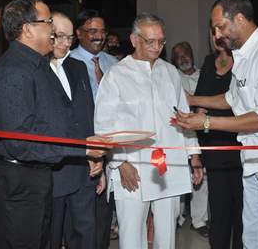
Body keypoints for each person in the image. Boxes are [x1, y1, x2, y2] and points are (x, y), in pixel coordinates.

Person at [0, 0, 109, 248]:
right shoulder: (15, 72)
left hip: (34, 177)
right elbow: (21, 143)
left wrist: (86, 144)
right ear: (27, 29)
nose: (53, 30)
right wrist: (82, 148)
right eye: (47, 22)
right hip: (17, 183)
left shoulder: (37, 67)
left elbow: (52, 121)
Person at [175, 0, 258, 249]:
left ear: (239, 18)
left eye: (220, 26)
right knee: (252, 237)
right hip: (253, 157)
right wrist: (192, 100)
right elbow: (232, 98)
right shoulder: (243, 57)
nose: (216, 35)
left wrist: (206, 123)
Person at [94, 13, 204, 249]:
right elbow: (104, 125)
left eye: (161, 42)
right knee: (132, 235)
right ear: (134, 40)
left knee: (167, 234)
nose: (157, 47)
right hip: (133, 166)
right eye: (150, 41)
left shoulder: (171, 73)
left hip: (169, 164)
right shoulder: (117, 75)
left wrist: (194, 156)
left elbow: (185, 118)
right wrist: (120, 163)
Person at [49, 12, 104, 249]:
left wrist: (96, 156)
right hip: (51, 169)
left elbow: (88, 116)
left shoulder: (79, 67)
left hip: (83, 167)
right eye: (58, 36)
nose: (65, 43)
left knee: (85, 235)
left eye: (69, 37)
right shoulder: (33, 68)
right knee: (50, 237)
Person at [70, 9, 118, 248]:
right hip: (84, 147)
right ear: (78, 34)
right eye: (92, 31)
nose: (99, 36)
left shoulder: (114, 64)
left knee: (104, 208)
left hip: (111, 145)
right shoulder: (67, 63)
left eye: (102, 31)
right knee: (82, 212)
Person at [194, 32, 243, 249]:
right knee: (219, 203)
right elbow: (200, 98)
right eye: (211, 31)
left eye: (220, 31)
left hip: (240, 141)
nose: (215, 36)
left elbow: (239, 103)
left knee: (242, 205)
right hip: (212, 143)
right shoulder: (207, 62)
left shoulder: (243, 61)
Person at [171, 41, 209, 237]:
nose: (183, 57)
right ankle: (177, 218)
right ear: (174, 60)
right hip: (180, 133)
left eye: (186, 53)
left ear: (193, 55)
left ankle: (199, 220)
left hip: (206, 132)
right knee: (179, 176)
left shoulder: (205, 75)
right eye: (178, 55)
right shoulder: (172, 78)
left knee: (201, 177)